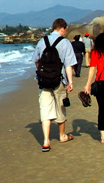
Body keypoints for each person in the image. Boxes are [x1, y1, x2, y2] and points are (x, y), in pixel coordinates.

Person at [31, 18, 77, 151]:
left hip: (43, 81)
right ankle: (62, 135)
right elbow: (68, 65)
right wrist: (70, 82)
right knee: (60, 107)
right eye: (65, 29)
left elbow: (36, 60)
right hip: (59, 80)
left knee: (45, 110)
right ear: (63, 28)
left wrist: (42, 72)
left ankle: (46, 141)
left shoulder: (42, 41)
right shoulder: (65, 43)